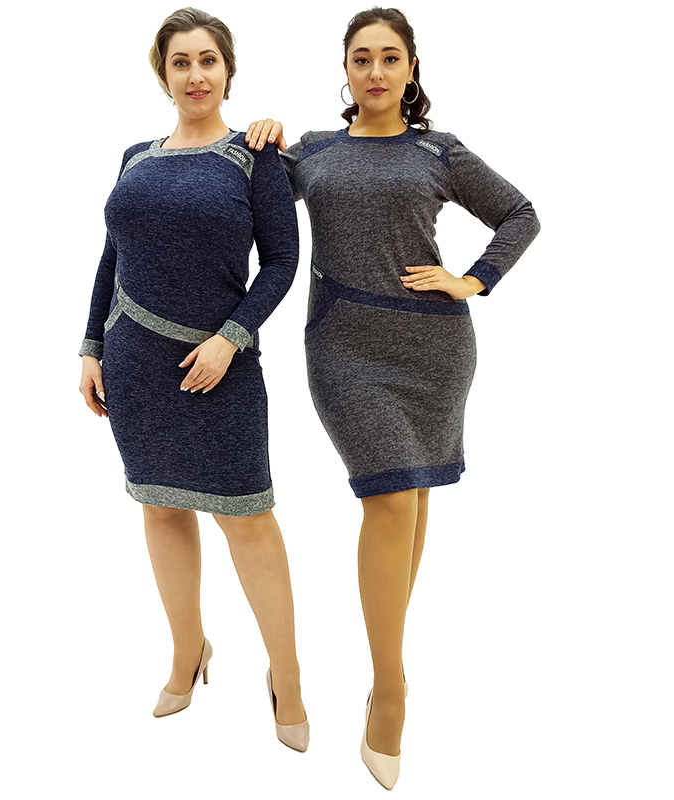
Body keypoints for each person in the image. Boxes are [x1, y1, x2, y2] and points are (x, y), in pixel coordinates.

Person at [246, 6, 540, 787]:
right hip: (343, 348)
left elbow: (520, 214)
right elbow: (247, 191)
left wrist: (473, 280)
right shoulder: (313, 151)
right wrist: (262, 137)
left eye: (388, 57)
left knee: (411, 498)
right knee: (389, 499)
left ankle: (384, 676)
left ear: (411, 68)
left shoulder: (439, 151)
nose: (374, 71)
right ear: (344, 70)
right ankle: (393, 686)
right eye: (360, 58)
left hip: (435, 349)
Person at [78, 7, 308, 752]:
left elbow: (281, 262)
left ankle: (287, 675)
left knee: (248, 519)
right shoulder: (134, 158)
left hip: (221, 367)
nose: (196, 74)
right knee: (160, 509)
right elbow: (112, 257)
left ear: (228, 71)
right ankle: (187, 650)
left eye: (208, 60)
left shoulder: (253, 156)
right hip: (134, 365)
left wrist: (231, 339)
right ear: (164, 75)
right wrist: (91, 345)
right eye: (181, 62)